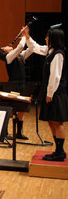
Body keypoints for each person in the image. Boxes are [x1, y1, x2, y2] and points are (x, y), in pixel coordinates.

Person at [25, 26, 68, 161]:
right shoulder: (50, 51)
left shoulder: (58, 54)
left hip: (56, 93)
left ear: (53, 38)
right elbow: (35, 48)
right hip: (51, 92)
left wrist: (50, 93)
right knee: (51, 121)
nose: (45, 38)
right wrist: (27, 36)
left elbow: (55, 76)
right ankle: (58, 150)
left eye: (48, 36)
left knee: (57, 122)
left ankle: (60, 152)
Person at [0, 34, 35, 139]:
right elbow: (19, 47)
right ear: (4, 52)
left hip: (22, 84)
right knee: (10, 110)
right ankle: (5, 132)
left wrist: (28, 38)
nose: (8, 45)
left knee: (22, 109)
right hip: (13, 85)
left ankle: (19, 133)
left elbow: (31, 49)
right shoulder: (8, 57)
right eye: (4, 47)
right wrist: (24, 36)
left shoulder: (20, 56)